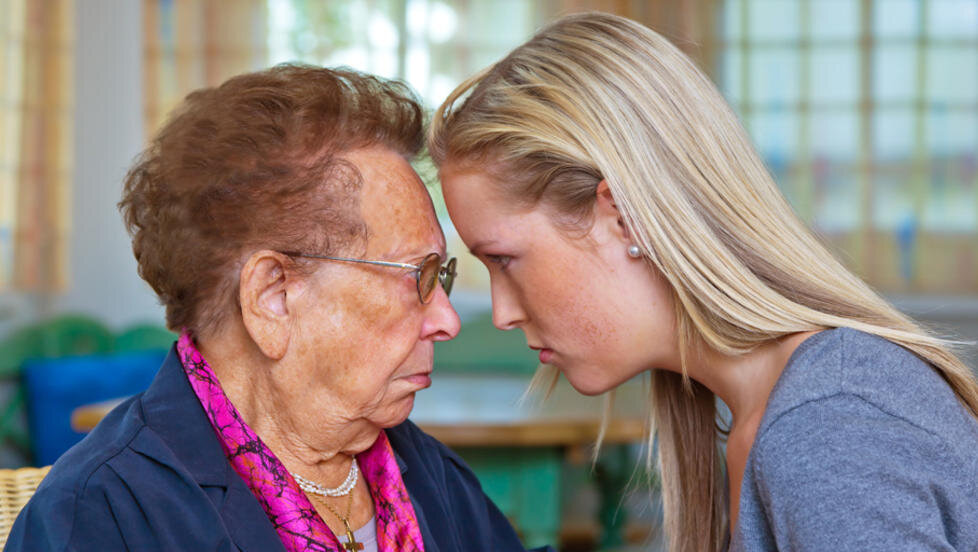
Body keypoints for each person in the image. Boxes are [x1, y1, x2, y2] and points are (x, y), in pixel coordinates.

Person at [428, 12, 978, 552]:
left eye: (502, 259)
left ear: (623, 218)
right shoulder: (773, 414)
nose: (503, 313)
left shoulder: (826, 425)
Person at [8, 65, 550, 552]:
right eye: (417, 277)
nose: (447, 320)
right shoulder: (104, 517)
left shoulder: (428, 475)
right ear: (272, 296)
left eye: (442, 278)